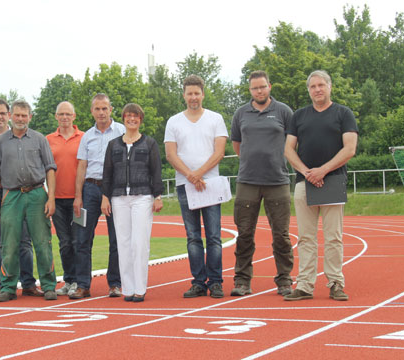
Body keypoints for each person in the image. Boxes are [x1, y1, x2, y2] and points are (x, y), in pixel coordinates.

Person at [284, 70, 358, 301]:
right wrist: (307, 172)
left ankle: (336, 283)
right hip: (304, 182)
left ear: (329, 86)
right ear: (309, 90)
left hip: (333, 180)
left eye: (321, 85)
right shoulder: (299, 116)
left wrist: (322, 170)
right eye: (313, 86)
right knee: (305, 237)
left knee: (333, 236)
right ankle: (305, 285)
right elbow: (288, 149)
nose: (317, 89)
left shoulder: (343, 113)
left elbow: (349, 148)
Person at [230, 70, 294, 297]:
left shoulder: (284, 111)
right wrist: (251, 160)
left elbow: (292, 142)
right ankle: (242, 280)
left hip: (277, 180)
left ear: (270, 87)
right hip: (247, 181)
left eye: (262, 87)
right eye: (255, 88)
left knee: (281, 234)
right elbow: (237, 145)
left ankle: (285, 279)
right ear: (250, 90)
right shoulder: (240, 114)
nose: (259, 91)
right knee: (245, 233)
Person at [164, 75, 228, 298]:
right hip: (185, 185)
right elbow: (170, 154)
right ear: (184, 95)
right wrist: (190, 175)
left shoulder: (215, 118)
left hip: (210, 184)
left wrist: (199, 174)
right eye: (189, 93)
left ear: (203, 94)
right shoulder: (173, 121)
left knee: (214, 236)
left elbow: (219, 151)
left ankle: (216, 281)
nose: (193, 97)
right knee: (192, 236)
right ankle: (199, 282)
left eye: (196, 93)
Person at [0, 100, 58, 302]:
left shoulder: (39, 139)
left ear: (30, 117)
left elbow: (50, 169)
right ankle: (8, 287)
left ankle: (48, 285)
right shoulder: (1, 142)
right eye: (17, 115)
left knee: (42, 242)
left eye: (24, 115)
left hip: (37, 193)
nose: (20, 119)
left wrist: (50, 198)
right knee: (8, 243)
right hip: (11, 195)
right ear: (11, 116)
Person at [101, 103, 164, 302]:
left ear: (140, 119)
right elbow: (107, 173)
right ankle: (127, 288)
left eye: (135, 116)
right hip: (119, 198)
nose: (132, 119)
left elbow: (156, 170)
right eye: (128, 116)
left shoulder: (149, 143)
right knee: (123, 243)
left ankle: (140, 288)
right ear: (124, 118)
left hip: (142, 196)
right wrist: (105, 197)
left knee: (140, 243)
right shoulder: (114, 145)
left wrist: (158, 195)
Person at [71, 93, 125, 299]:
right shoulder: (87, 136)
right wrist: (78, 196)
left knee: (116, 239)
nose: (101, 113)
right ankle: (83, 285)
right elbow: (81, 166)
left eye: (105, 108)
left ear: (111, 109)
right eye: (97, 109)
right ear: (92, 111)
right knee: (83, 239)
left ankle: (115, 283)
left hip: (116, 190)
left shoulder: (121, 131)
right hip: (90, 189)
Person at [46, 101, 84, 296]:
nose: (64, 117)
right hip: (58, 200)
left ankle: (80, 281)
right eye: (61, 114)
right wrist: (49, 197)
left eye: (68, 114)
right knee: (65, 242)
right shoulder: (48, 140)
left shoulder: (84, 138)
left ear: (74, 116)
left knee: (79, 241)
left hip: (79, 199)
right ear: (56, 117)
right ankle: (68, 280)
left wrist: (80, 196)